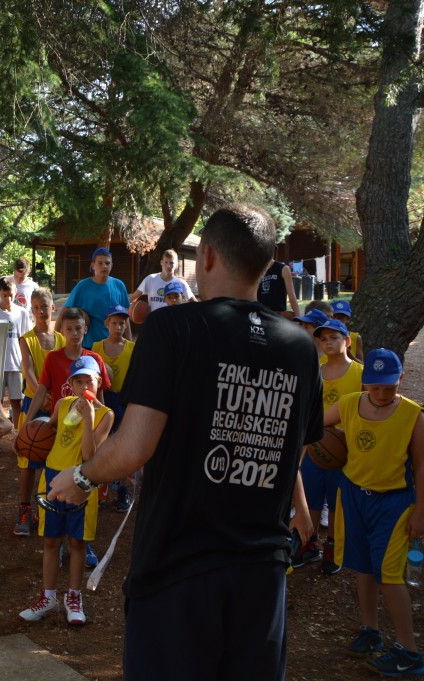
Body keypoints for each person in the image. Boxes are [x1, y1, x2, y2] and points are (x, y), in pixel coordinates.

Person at [48, 205, 323, 681]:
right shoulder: (300, 347)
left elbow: (135, 446)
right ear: (266, 264)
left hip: (178, 569)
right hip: (261, 572)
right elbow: (294, 450)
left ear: (207, 256)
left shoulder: (174, 328)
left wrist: (82, 478)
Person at [327, 349, 424, 675]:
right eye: (375, 386)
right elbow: (314, 425)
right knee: (364, 568)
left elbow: (421, 467)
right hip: (354, 494)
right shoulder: (349, 403)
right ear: (365, 382)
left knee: (390, 575)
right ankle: (371, 631)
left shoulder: (413, 415)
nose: (381, 393)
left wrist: (420, 512)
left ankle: (408, 651)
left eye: (389, 386)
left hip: (393, 502)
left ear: (401, 378)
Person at [19, 356, 112, 625]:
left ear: (98, 382)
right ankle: (48, 599)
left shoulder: (106, 414)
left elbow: (90, 455)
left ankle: (74, 598)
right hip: (51, 477)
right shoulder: (62, 404)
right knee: (50, 541)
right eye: (78, 381)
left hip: (81, 481)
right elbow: (46, 434)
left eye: (89, 381)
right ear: (70, 384)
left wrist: (89, 418)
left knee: (77, 542)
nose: (84, 387)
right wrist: (25, 441)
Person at [293, 319, 362, 575]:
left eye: (334, 337)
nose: (328, 342)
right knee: (311, 498)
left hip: (343, 450)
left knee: (336, 504)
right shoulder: (315, 370)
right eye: (323, 339)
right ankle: (308, 543)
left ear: (347, 341)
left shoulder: (360, 373)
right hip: (313, 446)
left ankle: (333, 546)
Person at [14, 288, 64, 536]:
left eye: (44, 306)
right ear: (31, 311)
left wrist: (53, 399)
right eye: (35, 308)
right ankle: (24, 508)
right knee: (29, 459)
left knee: (52, 459)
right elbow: (30, 372)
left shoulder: (62, 339)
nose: (40, 311)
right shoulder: (27, 339)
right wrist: (42, 397)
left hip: (57, 405)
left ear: (52, 308)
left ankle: (45, 508)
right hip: (33, 405)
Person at [92, 304, 136, 512]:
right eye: (114, 323)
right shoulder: (97, 347)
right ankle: (102, 487)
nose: (118, 327)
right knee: (101, 444)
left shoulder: (132, 348)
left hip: (122, 400)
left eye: (122, 323)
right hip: (102, 399)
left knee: (123, 446)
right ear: (106, 323)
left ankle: (123, 489)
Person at [57, 247, 132, 348]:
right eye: (100, 263)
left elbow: (125, 318)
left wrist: (130, 345)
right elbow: (65, 311)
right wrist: (55, 338)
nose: (104, 266)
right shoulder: (82, 286)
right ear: (93, 265)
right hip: (90, 346)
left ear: (112, 265)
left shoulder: (119, 285)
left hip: (114, 346)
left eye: (107, 263)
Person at [0, 277, 30, 427]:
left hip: (16, 363)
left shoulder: (22, 313)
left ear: (15, 292)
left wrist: (26, 361)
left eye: (11, 295)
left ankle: (17, 432)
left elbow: (25, 338)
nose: (8, 299)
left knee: (16, 401)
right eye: (5, 295)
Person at [129, 249, 195, 312]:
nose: (168, 266)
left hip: (172, 319)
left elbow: (194, 304)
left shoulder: (181, 283)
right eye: (166, 262)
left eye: (171, 263)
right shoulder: (150, 279)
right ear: (161, 262)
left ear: (176, 264)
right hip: (154, 319)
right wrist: (124, 310)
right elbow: (134, 296)